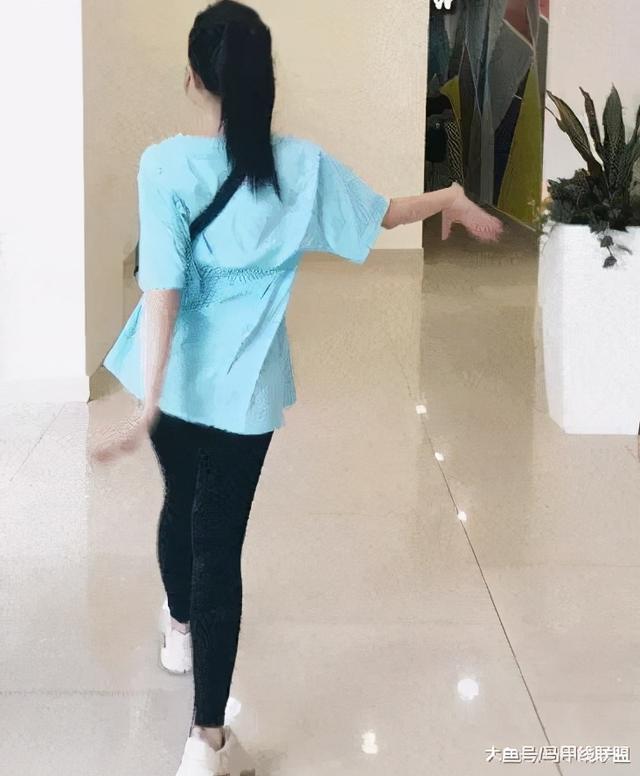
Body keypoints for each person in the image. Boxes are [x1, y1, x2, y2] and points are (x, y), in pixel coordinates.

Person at [90, 2, 503, 774]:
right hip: (246, 390)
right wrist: (449, 196)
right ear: (266, 79)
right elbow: (384, 215)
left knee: (181, 504)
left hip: (174, 380)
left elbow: (163, 290)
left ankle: (179, 629)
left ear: (196, 79)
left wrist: (146, 401)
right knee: (219, 546)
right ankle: (207, 742)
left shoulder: (165, 165)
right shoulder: (303, 169)